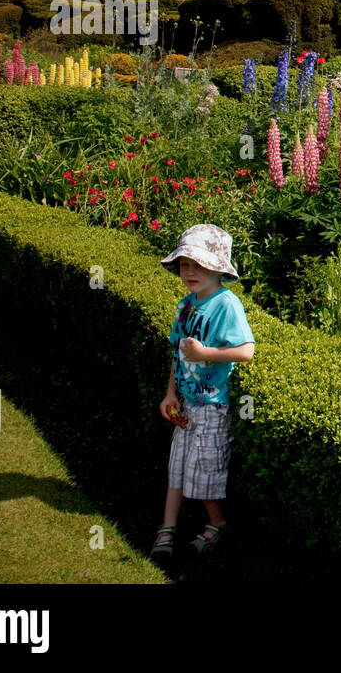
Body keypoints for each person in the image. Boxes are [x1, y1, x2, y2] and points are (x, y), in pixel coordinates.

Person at [151, 224, 255, 563]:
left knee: (204, 471)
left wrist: (205, 354)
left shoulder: (227, 304)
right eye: (184, 264)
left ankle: (218, 524)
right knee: (178, 468)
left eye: (198, 264)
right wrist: (170, 395)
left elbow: (246, 351)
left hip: (211, 406)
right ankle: (167, 529)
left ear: (218, 268)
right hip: (185, 404)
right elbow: (177, 353)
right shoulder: (185, 306)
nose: (189, 272)